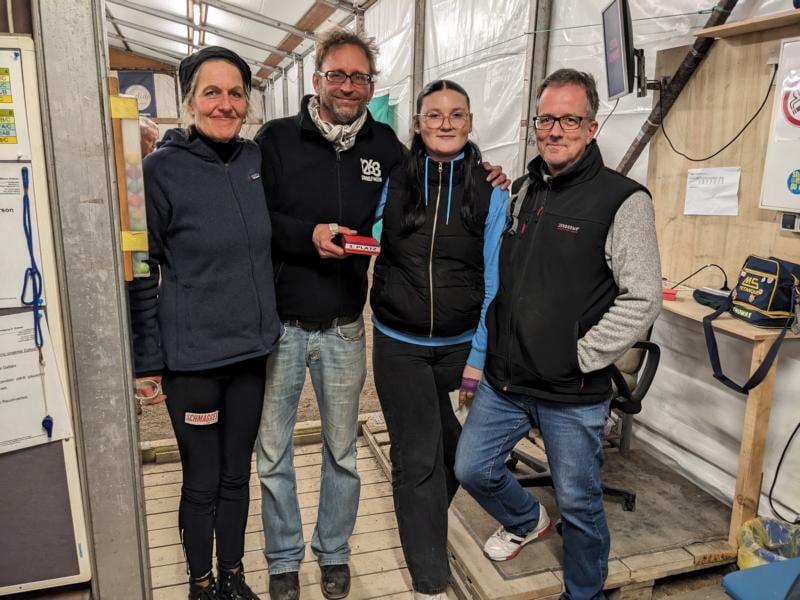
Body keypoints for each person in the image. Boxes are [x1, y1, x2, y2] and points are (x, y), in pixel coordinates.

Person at [253, 29, 507, 600]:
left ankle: (334, 553)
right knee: (272, 452)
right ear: (316, 79)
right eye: (337, 75)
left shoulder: (385, 147)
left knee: (342, 450)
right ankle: (284, 559)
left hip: (346, 325)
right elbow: (255, 219)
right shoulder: (275, 139)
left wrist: (485, 170)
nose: (348, 86)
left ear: (371, 86)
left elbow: (439, 173)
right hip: (282, 326)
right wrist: (306, 235)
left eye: (359, 77)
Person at [454, 69, 662, 600]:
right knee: (472, 468)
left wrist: (580, 355)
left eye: (569, 120)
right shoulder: (524, 190)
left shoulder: (623, 200)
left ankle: (583, 592)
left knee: (580, 504)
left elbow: (642, 298)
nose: (555, 130)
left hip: (572, 390)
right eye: (546, 119)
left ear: (591, 128)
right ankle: (527, 518)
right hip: (506, 380)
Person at [129, 46, 280, 600]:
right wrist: (147, 359)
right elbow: (141, 268)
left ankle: (233, 576)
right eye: (211, 92)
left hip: (250, 354)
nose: (224, 104)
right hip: (193, 361)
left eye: (235, 93)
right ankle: (201, 583)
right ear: (189, 101)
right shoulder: (159, 170)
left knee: (237, 475)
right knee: (202, 480)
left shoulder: (254, 160)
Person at [370, 79, 507, 599]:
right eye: (433, 114)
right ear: (417, 123)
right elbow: (355, 222)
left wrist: (478, 355)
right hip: (398, 343)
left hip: (460, 345)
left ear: (470, 123)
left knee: (456, 455)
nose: (445, 123)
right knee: (416, 458)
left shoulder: (491, 190)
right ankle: (430, 578)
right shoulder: (393, 180)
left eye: (456, 114)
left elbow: (495, 281)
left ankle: (425, 520)